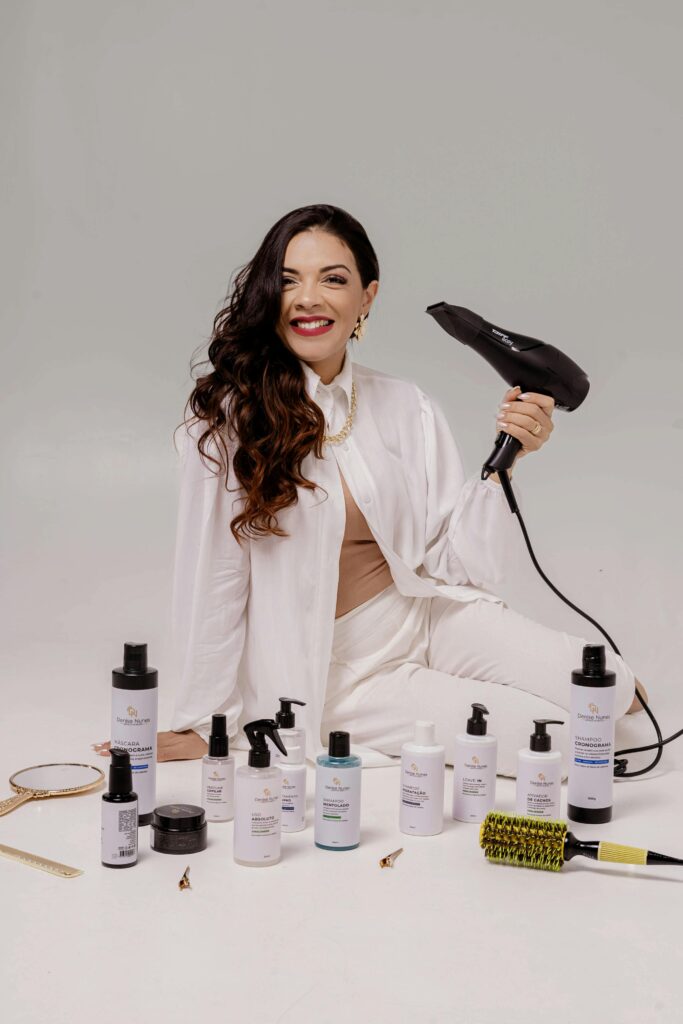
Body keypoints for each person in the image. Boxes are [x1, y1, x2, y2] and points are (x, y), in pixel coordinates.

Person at [94, 203, 646, 773]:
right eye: (288, 280)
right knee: (568, 746)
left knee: (618, 690)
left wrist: (505, 464)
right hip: (343, 671)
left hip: (425, 615)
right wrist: (201, 720)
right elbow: (212, 577)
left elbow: (460, 566)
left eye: (333, 279)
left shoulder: (406, 405)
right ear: (269, 297)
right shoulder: (230, 423)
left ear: (367, 298)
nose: (309, 297)